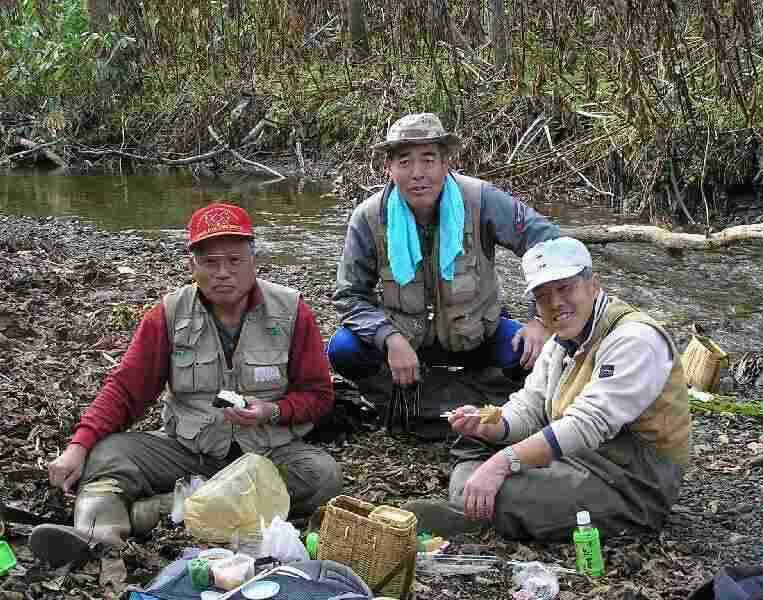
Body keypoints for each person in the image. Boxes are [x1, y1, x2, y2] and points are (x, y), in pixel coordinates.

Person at [30, 202, 342, 567]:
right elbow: (126, 390)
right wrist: (78, 446)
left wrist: (272, 411)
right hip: (187, 451)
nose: (223, 272)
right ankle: (97, 536)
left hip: (267, 456)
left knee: (323, 476)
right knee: (107, 455)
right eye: (209, 262)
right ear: (191, 265)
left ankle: (152, 512)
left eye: (234, 260)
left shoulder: (291, 310)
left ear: (253, 261)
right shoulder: (168, 313)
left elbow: (319, 396)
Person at [405, 237, 692, 540]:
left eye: (565, 288)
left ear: (593, 285)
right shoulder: (561, 340)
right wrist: (491, 425)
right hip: (577, 457)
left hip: (630, 482)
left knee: (501, 488)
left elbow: (586, 425)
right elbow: (528, 408)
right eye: (543, 296)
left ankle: (474, 507)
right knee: (473, 443)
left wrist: (503, 463)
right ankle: (476, 499)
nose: (555, 303)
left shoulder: (635, 339)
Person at [327, 113, 560, 427]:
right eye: (405, 162)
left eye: (428, 159)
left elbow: (548, 242)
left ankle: (466, 394)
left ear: (445, 163)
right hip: (406, 341)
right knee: (343, 349)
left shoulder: (482, 200)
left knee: (540, 356)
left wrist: (539, 319)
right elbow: (350, 294)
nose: (418, 173)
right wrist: (390, 338)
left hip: (478, 335)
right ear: (389, 168)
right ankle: (401, 398)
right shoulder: (368, 217)